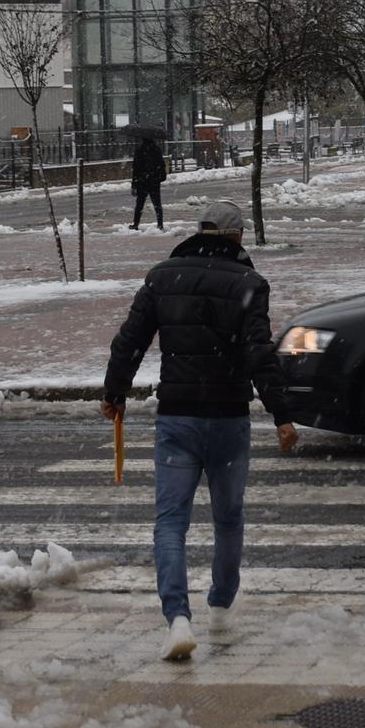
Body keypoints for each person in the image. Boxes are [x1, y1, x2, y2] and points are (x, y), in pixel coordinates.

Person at [101, 198, 298, 661]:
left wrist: (115, 394)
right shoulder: (249, 283)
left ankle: (178, 618)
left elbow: (130, 340)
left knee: (171, 522)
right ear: (235, 236)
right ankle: (222, 604)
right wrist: (282, 414)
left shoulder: (162, 277)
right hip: (228, 418)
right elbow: (258, 353)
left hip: (178, 417)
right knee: (228, 518)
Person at [130, 135, 166, 229]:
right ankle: (160, 224)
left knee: (139, 205)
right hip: (154, 181)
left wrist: (134, 183)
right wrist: (161, 176)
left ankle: (136, 224)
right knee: (157, 204)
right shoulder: (157, 150)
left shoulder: (139, 150)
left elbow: (135, 168)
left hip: (142, 182)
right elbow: (162, 164)